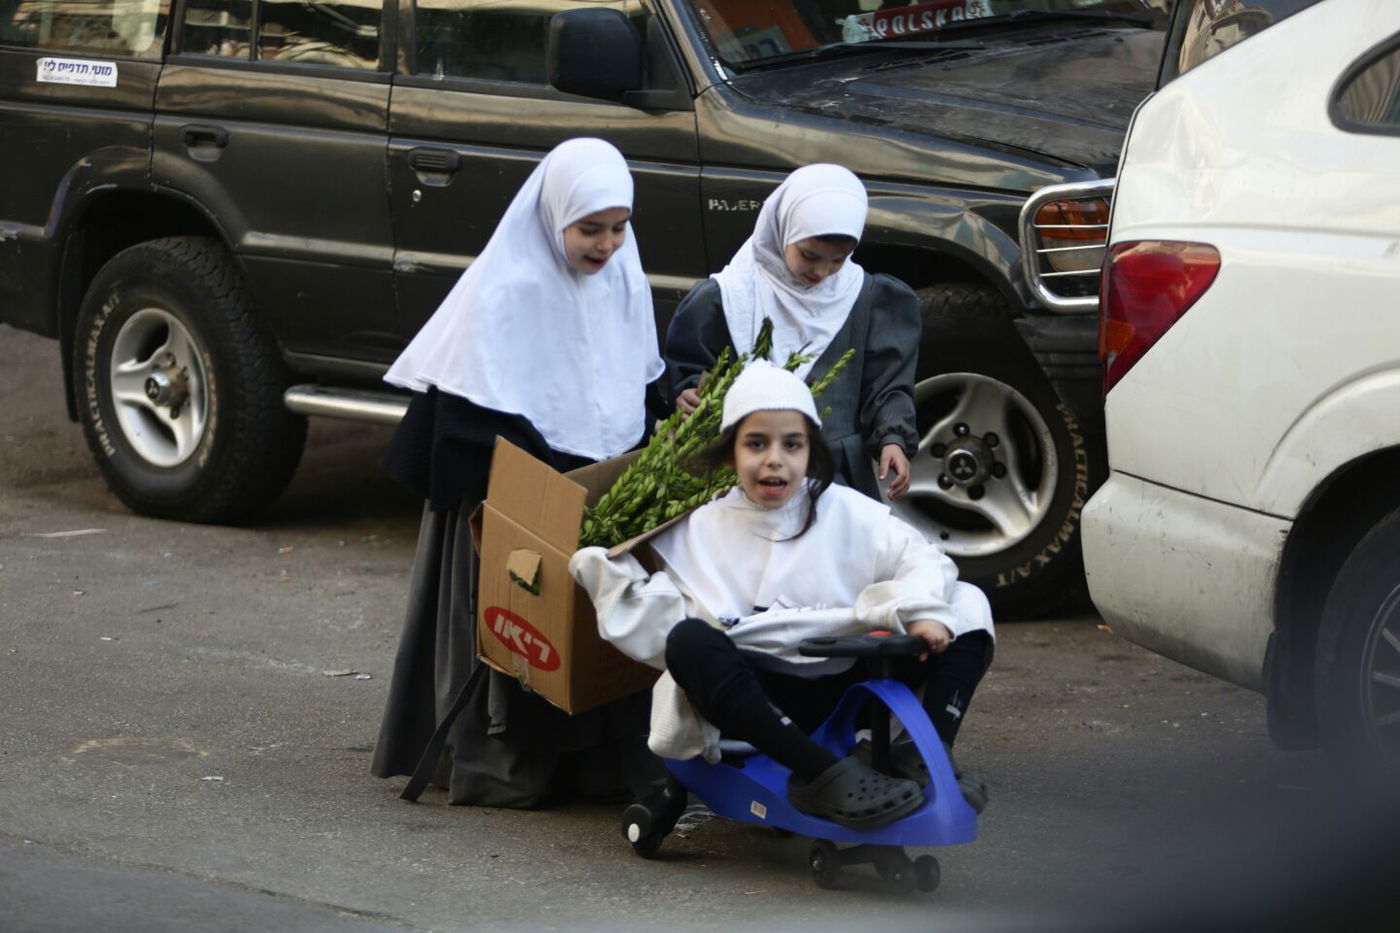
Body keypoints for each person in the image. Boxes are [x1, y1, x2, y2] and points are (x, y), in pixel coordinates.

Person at [370, 137, 666, 808]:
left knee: (601, 628)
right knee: (521, 624)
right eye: (590, 228)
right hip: (514, 489)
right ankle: (505, 765)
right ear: (552, 214)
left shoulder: (623, 277)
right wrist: (540, 475)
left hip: (597, 487)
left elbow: (634, 377)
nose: (608, 244)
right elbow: (474, 402)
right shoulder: (508, 286)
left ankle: (597, 768)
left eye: (619, 227)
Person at [570, 362, 993, 828]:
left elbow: (924, 559)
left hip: (846, 691)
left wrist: (920, 613)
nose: (774, 459)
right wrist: (603, 567)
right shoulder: (699, 526)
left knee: (968, 601)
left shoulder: (846, 510)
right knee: (689, 641)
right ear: (731, 453)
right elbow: (654, 616)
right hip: (758, 703)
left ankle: (920, 749)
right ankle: (819, 774)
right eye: (756, 444)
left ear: (810, 451)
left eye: (791, 444)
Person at [665, 163, 919, 502]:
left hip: (833, 475)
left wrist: (893, 439)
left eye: (837, 260)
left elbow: (886, 386)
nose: (822, 271)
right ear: (782, 228)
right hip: (744, 475)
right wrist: (689, 394)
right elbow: (692, 371)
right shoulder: (729, 298)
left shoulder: (866, 298)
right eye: (809, 255)